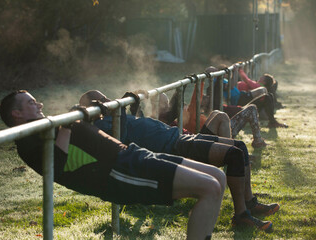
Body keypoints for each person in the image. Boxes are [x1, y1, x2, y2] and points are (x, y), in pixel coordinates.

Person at [0, 90, 229, 240]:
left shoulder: (45, 127)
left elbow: (80, 139)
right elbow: (57, 166)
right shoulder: (28, 141)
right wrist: (69, 123)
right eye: (31, 102)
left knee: (217, 177)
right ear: (16, 113)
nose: (39, 103)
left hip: (130, 155)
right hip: (117, 171)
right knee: (209, 187)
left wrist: (91, 115)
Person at [79, 90, 280, 232]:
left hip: (178, 137)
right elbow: (115, 132)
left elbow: (129, 118)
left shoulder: (114, 117)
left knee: (240, 147)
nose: (107, 101)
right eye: (102, 100)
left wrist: (130, 100)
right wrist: (121, 103)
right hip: (174, 147)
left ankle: (250, 202)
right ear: (93, 108)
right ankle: (241, 215)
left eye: (105, 98)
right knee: (234, 154)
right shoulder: (105, 126)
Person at [155, 82, 266, 148]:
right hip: (199, 140)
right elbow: (194, 100)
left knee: (217, 113)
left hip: (210, 134)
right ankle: (234, 150)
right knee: (222, 114)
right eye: (164, 103)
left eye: (167, 102)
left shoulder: (195, 113)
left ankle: (236, 149)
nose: (167, 105)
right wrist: (200, 82)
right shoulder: (169, 117)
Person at [207, 65, 288, 128]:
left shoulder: (221, 79)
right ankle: (270, 120)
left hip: (242, 95)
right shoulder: (216, 82)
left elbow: (233, 85)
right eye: (214, 71)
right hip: (240, 99)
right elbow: (231, 86)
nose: (217, 71)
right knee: (264, 93)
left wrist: (235, 72)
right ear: (210, 74)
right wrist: (234, 72)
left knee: (268, 96)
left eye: (216, 70)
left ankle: (271, 121)